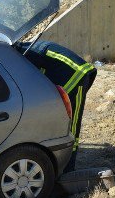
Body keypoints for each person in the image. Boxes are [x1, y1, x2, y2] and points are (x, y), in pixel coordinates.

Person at [20, 40, 97, 172]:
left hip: (77, 73)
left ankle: (68, 170)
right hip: (60, 72)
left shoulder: (23, 55)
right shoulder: (20, 51)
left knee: (71, 125)